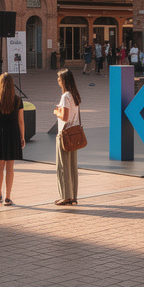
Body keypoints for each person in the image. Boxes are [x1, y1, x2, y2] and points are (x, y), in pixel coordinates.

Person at [0, 73, 24, 206]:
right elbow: (21, 121)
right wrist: (22, 136)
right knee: (10, 167)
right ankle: (8, 197)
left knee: (0, 166)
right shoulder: (18, 100)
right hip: (13, 133)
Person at [53, 69, 82, 205]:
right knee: (72, 165)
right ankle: (73, 195)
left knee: (63, 165)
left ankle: (66, 195)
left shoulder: (65, 96)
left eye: (59, 79)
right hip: (74, 133)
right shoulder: (74, 95)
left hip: (64, 134)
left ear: (64, 80)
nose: (58, 82)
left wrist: (56, 112)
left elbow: (64, 116)